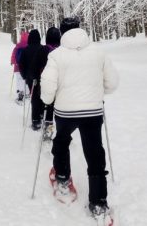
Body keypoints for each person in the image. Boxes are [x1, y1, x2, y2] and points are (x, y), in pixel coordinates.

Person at [40, 17, 119, 218]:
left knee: (62, 141)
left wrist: (48, 100)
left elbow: (48, 87)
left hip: (65, 112)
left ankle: (63, 180)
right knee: (94, 152)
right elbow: (112, 83)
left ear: (62, 32)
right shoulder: (99, 52)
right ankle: (98, 201)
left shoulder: (56, 55)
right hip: (93, 111)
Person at [29, 27, 61, 139]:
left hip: (43, 84)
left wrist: (34, 77)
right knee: (52, 109)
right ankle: (50, 129)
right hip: (59, 85)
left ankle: (41, 124)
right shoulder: (61, 51)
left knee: (43, 104)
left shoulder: (42, 50)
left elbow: (34, 67)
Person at [17, 29, 43, 130]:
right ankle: (40, 115)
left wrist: (24, 76)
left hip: (30, 78)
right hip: (41, 77)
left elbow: (21, 64)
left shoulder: (25, 50)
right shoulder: (42, 48)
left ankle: (36, 120)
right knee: (41, 97)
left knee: (34, 98)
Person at [10, 31, 29, 103]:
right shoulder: (28, 46)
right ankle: (27, 93)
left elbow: (13, 55)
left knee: (19, 79)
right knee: (26, 79)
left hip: (17, 68)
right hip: (25, 67)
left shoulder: (17, 46)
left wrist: (12, 62)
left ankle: (20, 92)